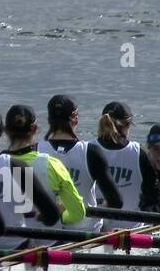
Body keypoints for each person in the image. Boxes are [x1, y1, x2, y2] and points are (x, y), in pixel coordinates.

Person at [0, 105, 62, 250]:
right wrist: (39, 216)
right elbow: (52, 217)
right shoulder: (15, 166)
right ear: (2, 131)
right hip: (16, 247)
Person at [37, 94, 123, 233]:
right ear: (76, 119)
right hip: (85, 233)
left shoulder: (36, 150)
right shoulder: (91, 152)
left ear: (49, 120)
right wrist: (97, 210)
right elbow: (116, 202)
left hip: (46, 235)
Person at [1, 104, 86, 235]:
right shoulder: (52, 164)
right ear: (36, 129)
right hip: (48, 244)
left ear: (6, 130)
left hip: (8, 243)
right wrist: (61, 215)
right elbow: (78, 213)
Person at [89, 101, 160, 230]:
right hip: (131, 230)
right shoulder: (140, 153)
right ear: (127, 125)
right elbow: (153, 196)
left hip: (92, 231)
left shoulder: (86, 149)